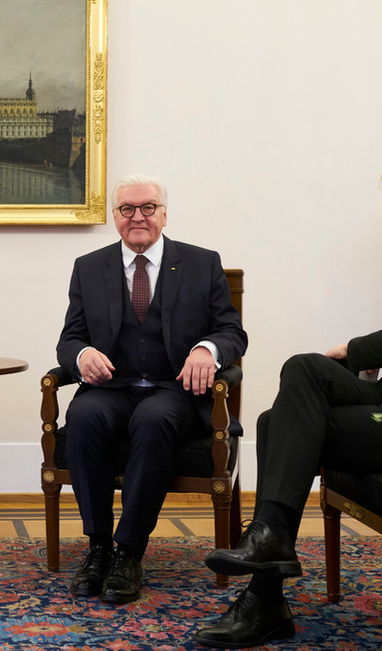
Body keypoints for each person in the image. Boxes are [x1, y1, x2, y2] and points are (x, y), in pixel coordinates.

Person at [57, 174, 247, 604]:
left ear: (164, 214)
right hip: (113, 385)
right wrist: (82, 354)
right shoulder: (89, 267)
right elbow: (70, 338)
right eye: (126, 209)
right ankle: (99, 546)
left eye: (147, 208)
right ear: (115, 217)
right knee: (83, 415)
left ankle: (129, 552)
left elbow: (232, 331)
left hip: (173, 389)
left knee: (153, 418)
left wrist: (207, 349)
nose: (137, 216)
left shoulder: (202, 263)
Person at [194, 331, 382, 647]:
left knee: (290, 398)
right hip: (381, 398)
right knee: (293, 384)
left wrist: (351, 350)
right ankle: (268, 548)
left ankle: (264, 597)